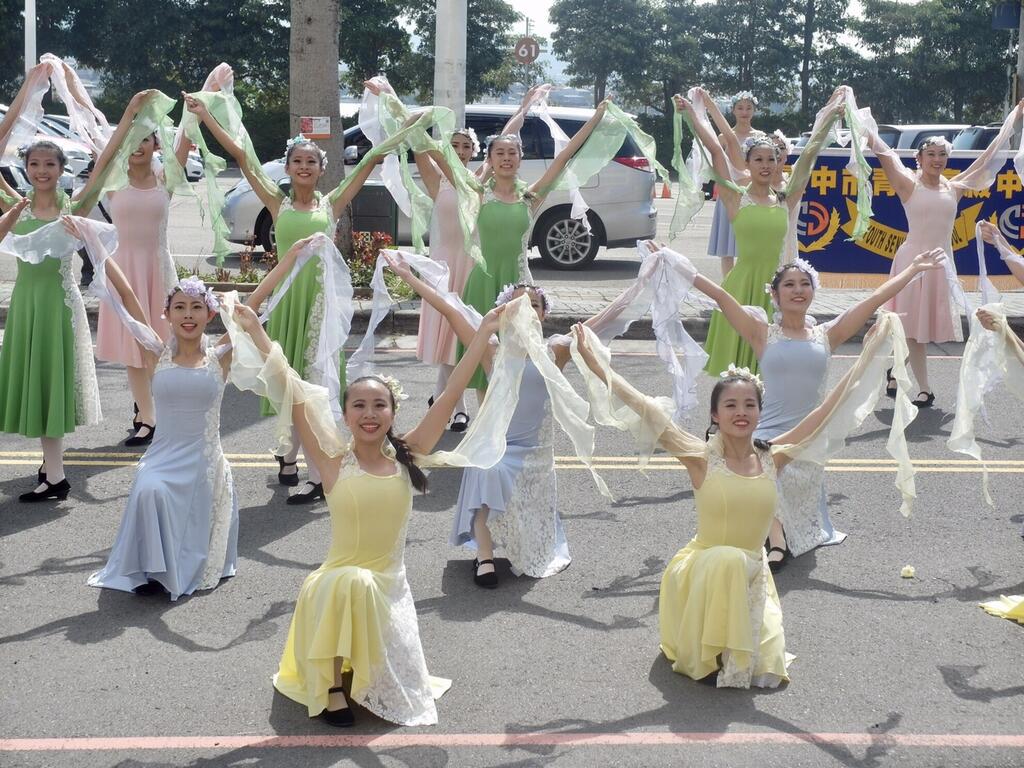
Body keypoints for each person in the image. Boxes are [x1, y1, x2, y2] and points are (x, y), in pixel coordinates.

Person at [570, 318, 900, 688]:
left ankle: (738, 634)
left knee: (765, 660)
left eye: (749, 405)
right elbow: (645, 408)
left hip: (752, 577)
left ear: (760, 412)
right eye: (730, 405)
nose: (740, 412)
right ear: (716, 415)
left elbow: (827, 411)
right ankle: (710, 647)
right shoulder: (700, 457)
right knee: (727, 558)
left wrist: (869, 352)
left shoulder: (775, 457)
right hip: (704, 572)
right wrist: (592, 359)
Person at [227, 295, 505, 726]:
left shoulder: (407, 456)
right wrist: (256, 331)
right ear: (345, 414)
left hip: (388, 588)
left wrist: (485, 329)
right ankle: (334, 685)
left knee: (358, 582)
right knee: (346, 581)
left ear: (393, 413)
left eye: (379, 405)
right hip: (335, 585)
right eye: (359, 405)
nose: (370, 414)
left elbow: (452, 393)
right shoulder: (333, 461)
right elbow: (293, 388)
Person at [671, 243, 945, 567]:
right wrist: (677, 264)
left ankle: (775, 532)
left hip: (810, 436)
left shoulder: (827, 335)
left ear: (813, 292)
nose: (797, 290)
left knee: (771, 474)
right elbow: (721, 296)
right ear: (774, 295)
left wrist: (911, 270)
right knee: (763, 464)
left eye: (804, 284)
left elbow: (873, 300)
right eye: (788, 284)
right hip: (767, 431)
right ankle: (777, 543)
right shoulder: (762, 333)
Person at [385, 252, 633, 587]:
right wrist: (410, 276)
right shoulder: (491, 349)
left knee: (491, 469)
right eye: (517, 305)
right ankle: (484, 558)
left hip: (534, 452)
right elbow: (448, 307)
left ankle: (506, 546)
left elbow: (605, 319)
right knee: (484, 466)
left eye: (534, 305)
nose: (526, 311)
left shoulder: (556, 350)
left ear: (544, 314)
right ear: (504, 313)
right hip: (496, 444)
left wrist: (644, 280)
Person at [183, 82, 380, 504]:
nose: (305, 167)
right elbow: (241, 154)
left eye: (311, 161)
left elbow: (370, 159)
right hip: (287, 303)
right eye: (298, 161)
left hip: (320, 308)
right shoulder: (278, 204)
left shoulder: (332, 203)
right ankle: (288, 457)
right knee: (285, 378)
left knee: (314, 384)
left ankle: (316, 471)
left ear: (320, 168)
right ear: (288, 169)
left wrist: (392, 113)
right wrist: (205, 116)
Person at [0, 88, 160, 502]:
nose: (41, 170)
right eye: (34, 163)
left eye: (49, 164)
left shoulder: (76, 207)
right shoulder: (13, 205)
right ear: (26, 168)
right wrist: (29, 87)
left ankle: (55, 476)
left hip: (58, 305)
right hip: (25, 306)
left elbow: (106, 160)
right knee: (33, 387)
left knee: (48, 386)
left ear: (59, 169)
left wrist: (129, 111)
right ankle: (51, 469)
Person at [84, 268, 237, 599]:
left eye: (196, 307)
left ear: (210, 313)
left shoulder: (221, 356)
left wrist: (293, 258)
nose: (188, 314)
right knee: (149, 489)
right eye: (179, 307)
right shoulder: (156, 353)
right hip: (162, 457)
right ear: (167, 315)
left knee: (166, 496)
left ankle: (170, 570)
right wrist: (98, 247)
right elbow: (127, 298)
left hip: (203, 461)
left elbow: (258, 302)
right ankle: (154, 571)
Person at [675, 88, 845, 376]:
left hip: (778, 289)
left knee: (773, 368)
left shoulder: (785, 198)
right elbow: (716, 150)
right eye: (759, 160)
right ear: (747, 163)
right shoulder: (734, 196)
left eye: (771, 159)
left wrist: (828, 120)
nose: (766, 165)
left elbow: (808, 156)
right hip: (742, 287)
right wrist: (692, 114)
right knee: (737, 372)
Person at [63, 71, 193, 447]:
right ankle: (148, 418)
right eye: (132, 141)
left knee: (162, 345)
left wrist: (200, 102)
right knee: (133, 348)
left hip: (157, 269)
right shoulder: (113, 180)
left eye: (146, 139)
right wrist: (131, 110)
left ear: (156, 145)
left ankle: (152, 410)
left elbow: (185, 139)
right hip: (123, 270)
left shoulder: (165, 177)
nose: (137, 146)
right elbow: (108, 147)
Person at [868, 99, 1024, 407]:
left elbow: (989, 154)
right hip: (912, 262)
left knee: (922, 327)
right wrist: (863, 123)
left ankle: (895, 370)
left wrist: (1015, 117)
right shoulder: (908, 185)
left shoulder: (954, 188)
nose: (937, 160)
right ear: (919, 158)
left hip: (941, 264)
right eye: (931, 155)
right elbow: (884, 154)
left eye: (942, 155)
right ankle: (924, 388)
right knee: (914, 329)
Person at [455, 100, 610, 396]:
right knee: (484, 366)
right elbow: (441, 156)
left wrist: (597, 118)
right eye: (499, 153)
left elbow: (564, 157)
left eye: (512, 153)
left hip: (520, 289)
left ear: (520, 158)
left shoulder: (530, 196)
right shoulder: (476, 192)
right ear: (489, 160)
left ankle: (512, 428)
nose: (506, 158)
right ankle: (486, 432)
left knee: (519, 361)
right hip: (482, 285)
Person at [703, 90, 761, 277]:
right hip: (729, 195)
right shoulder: (723, 137)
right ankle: (728, 287)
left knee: (750, 245)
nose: (744, 112)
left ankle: (746, 285)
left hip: (752, 195)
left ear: (754, 111)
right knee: (727, 247)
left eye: (748, 108)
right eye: (740, 108)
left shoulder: (761, 137)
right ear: (733, 111)